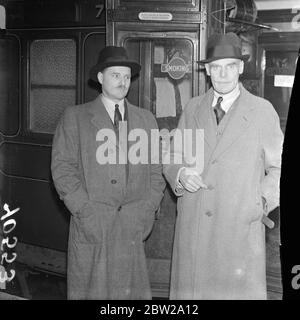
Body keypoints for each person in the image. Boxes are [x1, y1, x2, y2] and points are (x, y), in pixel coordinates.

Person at [163, 33, 283, 299]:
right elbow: (173, 155)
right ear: (207, 70)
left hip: (238, 228)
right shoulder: (193, 108)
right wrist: (181, 174)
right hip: (194, 229)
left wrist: (260, 202)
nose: (223, 74)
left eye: (230, 66)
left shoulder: (263, 111)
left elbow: (279, 168)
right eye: (216, 67)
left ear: (241, 68)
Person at [51, 46, 165, 300]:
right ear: (100, 78)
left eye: (126, 77)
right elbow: (62, 170)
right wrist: (85, 212)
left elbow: (156, 170)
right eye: (115, 75)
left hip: (133, 226)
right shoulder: (75, 117)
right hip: (93, 224)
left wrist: (147, 209)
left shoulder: (146, 119)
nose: (122, 82)